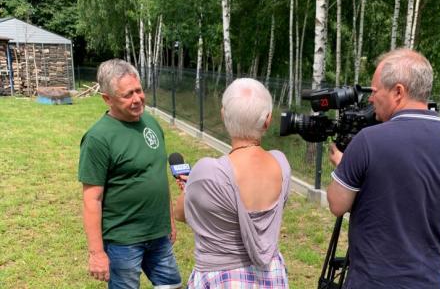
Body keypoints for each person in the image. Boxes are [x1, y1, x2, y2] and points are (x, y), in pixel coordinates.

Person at [327, 48, 440, 288]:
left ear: (398, 91)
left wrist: (345, 167)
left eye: (375, 91)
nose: (370, 98)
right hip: (428, 281)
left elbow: (337, 204)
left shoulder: (367, 141)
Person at [174, 78, 290, 288]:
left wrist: (192, 188)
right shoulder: (281, 164)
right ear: (268, 120)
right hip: (270, 276)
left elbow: (180, 214)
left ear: (223, 116)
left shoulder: (207, 172)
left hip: (222, 279)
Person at [78, 59, 182, 289]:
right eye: (127, 95)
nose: (137, 99)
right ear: (107, 98)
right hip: (123, 242)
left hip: (158, 236)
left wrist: (169, 220)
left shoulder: (151, 123)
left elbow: (158, 175)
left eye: (139, 90)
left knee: (172, 285)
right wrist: (96, 253)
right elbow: (91, 199)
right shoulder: (98, 138)